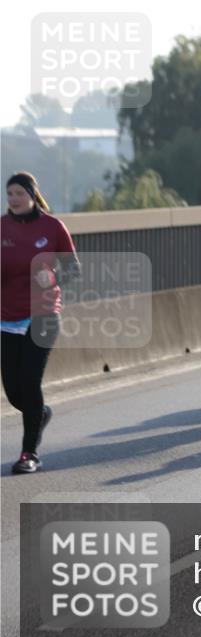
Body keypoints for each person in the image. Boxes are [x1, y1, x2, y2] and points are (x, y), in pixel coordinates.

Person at [2, 172, 81, 474]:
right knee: (13, 391)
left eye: (19, 193)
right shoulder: (1, 227)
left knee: (29, 382)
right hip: (7, 317)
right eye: (10, 194)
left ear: (33, 196)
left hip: (44, 314)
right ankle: (39, 413)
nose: (14, 199)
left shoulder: (52, 227)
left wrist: (53, 278)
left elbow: (73, 269)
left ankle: (29, 453)